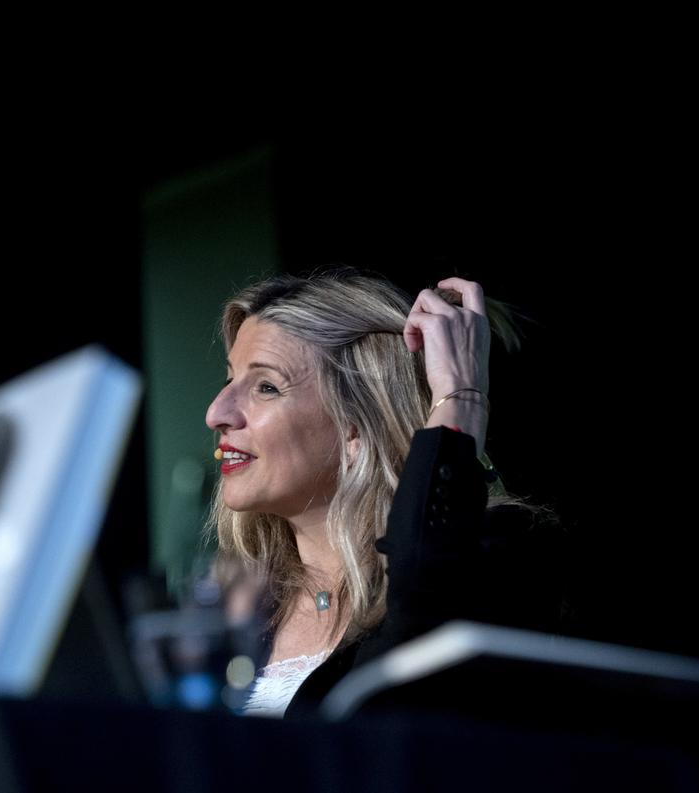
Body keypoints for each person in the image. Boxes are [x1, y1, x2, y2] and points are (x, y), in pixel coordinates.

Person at [202, 268, 570, 719]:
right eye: (228, 382)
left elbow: (422, 603)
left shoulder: (481, 564)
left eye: (266, 387)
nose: (216, 412)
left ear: (356, 428)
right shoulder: (236, 608)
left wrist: (462, 397)